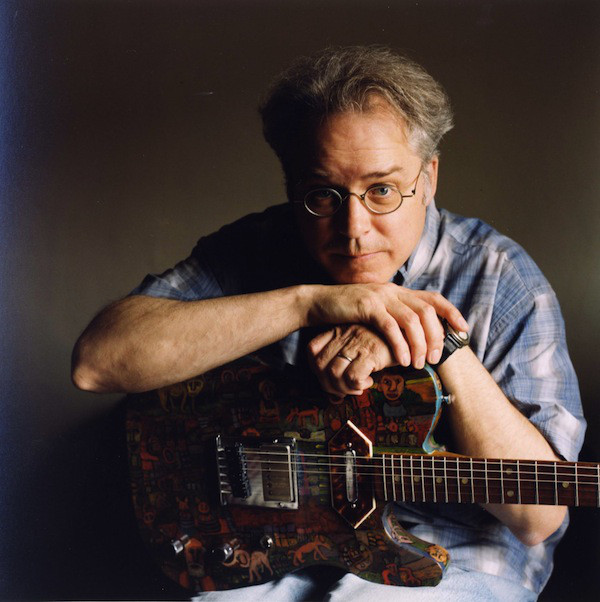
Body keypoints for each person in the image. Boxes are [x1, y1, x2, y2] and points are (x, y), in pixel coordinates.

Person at [72, 46, 585, 601]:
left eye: (382, 190)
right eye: (323, 194)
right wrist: (307, 304)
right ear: (292, 187)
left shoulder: (501, 276)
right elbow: (96, 365)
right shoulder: (254, 248)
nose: (353, 228)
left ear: (429, 178)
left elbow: (539, 516)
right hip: (274, 548)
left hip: (458, 557)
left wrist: (441, 345)